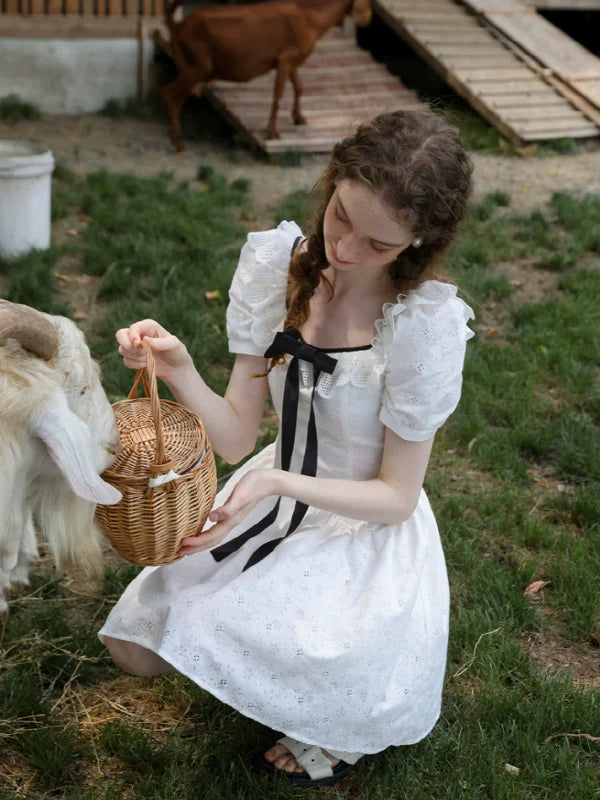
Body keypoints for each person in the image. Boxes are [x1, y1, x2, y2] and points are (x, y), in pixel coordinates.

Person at [99, 109, 475, 789]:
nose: (346, 250)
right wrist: (179, 366)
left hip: (359, 526)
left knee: (318, 665)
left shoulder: (420, 327)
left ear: (417, 242)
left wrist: (276, 485)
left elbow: (395, 497)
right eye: (340, 217)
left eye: (378, 244)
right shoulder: (279, 266)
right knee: (134, 645)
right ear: (332, 183)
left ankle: (336, 725)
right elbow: (241, 435)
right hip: (268, 489)